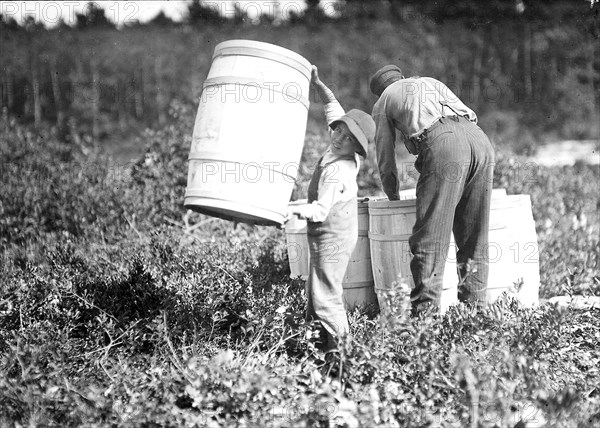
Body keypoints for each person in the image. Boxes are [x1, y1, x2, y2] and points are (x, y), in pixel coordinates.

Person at [369, 65, 495, 315]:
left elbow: (385, 157)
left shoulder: (384, 100)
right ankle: (477, 316)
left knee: (430, 238)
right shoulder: (430, 81)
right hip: (480, 142)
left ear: (379, 90)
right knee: (474, 237)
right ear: (401, 76)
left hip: (445, 146)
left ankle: (425, 322)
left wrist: (393, 197)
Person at [286, 65, 375, 350]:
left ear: (356, 147)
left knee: (326, 297)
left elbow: (320, 211)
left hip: (333, 236)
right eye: (339, 130)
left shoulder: (339, 172)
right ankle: (316, 351)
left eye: (348, 138)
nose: (338, 137)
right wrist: (319, 85)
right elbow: (333, 108)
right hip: (329, 232)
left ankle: (344, 355)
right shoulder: (338, 144)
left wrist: (290, 211)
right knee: (316, 293)